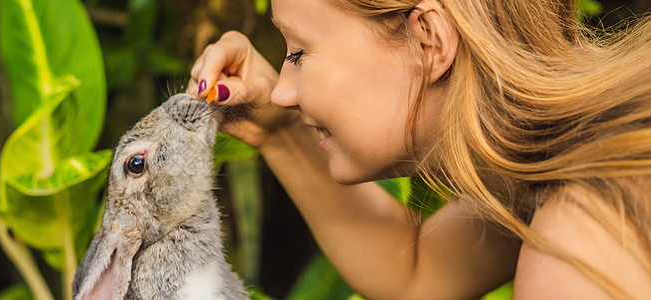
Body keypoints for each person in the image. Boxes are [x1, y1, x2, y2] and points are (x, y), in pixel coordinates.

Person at [187, 0, 651, 298]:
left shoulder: (576, 250)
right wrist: (280, 132)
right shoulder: (548, 164)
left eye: (299, 54)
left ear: (428, 41)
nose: (284, 92)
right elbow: (419, 275)